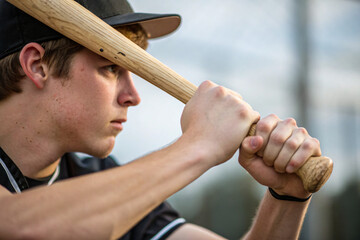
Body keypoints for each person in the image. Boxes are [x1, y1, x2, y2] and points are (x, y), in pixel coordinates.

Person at [0, 0, 323, 239]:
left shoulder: (100, 181)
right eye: (111, 68)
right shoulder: (105, 195)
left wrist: (286, 197)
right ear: (38, 65)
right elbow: (18, 227)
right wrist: (197, 146)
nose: (133, 95)